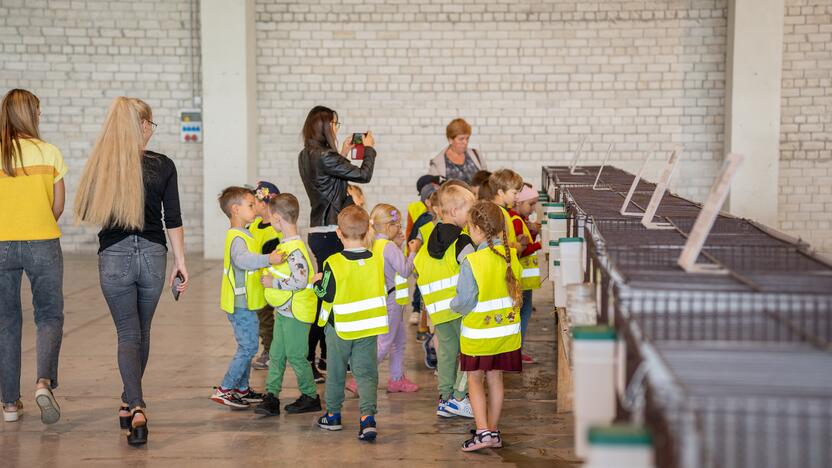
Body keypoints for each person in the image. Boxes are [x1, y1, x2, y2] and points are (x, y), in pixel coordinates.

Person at [74, 97, 188, 445]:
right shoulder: (163, 165)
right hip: (153, 255)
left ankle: (134, 404)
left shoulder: (100, 166)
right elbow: (174, 219)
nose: (151, 132)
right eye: (150, 125)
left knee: (127, 334)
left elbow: (88, 210)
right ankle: (130, 403)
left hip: (114, 255)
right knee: (142, 331)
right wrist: (181, 262)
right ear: (141, 126)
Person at [0, 89, 66, 425]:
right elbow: (58, 205)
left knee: (6, 322)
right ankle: (43, 383)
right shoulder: (49, 152)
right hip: (42, 241)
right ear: (31, 114)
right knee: (49, 315)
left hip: (1, 244)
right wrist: (38, 222)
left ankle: (9, 404)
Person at [298, 106, 377, 383]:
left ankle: (320, 357)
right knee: (329, 301)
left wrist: (341, 153)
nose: (338, 128)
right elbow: (363, 176)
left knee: (325, 297)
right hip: (334, 231)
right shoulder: (325, 156)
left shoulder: (306, 155)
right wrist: (368, 150)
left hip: (319, 230)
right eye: (335, 123)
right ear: (326, 126)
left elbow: (327, 182)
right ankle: (314, 358)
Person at [451, 201, 523, 452]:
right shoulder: (511, 256)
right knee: (496, 379)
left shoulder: (472, 261)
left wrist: (453, 306)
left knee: (474, 380)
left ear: (477, 229)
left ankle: (481, 432)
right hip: (506, 335)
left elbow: (464, 301)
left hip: (478, 335)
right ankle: (492, 430)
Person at [313, 205, 388, 442]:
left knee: (336, 372)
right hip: (368, 327)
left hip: (341, 328)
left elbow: (326, 293)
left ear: (338, 233)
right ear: (367, 232)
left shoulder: (333, 263)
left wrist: (316, 282)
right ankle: (367, 418)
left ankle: (333, 415)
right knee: (366, 373)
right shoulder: (376, 260)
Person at [211, 187, 282, 410]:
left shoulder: (246, 232)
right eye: (250, 205)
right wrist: (268, 259)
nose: (255, 209)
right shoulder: (237, 237)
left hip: (247, 301)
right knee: (248, 347)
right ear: (235, 209)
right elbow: (243, 261)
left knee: (248, 345)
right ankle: (225, 389)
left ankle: (241, 389)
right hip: (239, 303)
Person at [255, 193, 322, 417]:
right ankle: (271, 396)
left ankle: (310, 396)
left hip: (296, 312)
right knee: (276, 354)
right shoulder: (287, 245)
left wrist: (271, 282)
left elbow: (300, 280)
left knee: (295, 355)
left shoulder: (294, 249)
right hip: (285, 310)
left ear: (276, 219)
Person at [413, 184, 477, 419]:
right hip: (462, 308)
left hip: (439, 311)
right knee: (471, 352)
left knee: (447, 353)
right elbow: (474, 270)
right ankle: (460, 397)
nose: (470, 216)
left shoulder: (429, 238)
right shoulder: (463, 240)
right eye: (468, 210)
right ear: (454, 211)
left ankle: (445, 398)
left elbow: (417, 269)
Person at [368, 204, 420, 393]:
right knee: (385, 342)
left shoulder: (375, 244)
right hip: (392, 301)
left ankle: (397, 379)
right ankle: (361, 378)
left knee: (398, 342)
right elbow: (405, 270)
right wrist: (413, 251)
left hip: (389, 298)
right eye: (397, 224)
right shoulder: (388, 246)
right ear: (388, 226)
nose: (400, 228)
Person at [249, 181, 283, 370]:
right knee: (260, 317)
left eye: (254, 202)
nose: (252, 205)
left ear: (264, 204)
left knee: (266, 319)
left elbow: (271, 260)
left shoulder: (272, 231)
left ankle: (270, 352)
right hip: (255, 281)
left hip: (267, 282)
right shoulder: (254, 224)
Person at [512, 184, 542, 363]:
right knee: (523, 312)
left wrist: (533, 232)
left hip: (523, 277)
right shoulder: (516, 220)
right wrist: (541, 243)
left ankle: (516, 349)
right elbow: (520, 250)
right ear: (519, 202)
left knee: (523, 312)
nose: (532, 209)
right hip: (521, 277)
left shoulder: (519, 219)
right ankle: (516, 350)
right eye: (530, 204)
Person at [428, 118, 486, 183]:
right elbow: (433, 189)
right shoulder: (437, 163)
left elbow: (486, 182)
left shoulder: (476, 155)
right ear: (450, 140)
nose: (465, 142)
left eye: (467, 138)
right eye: (461, 139)